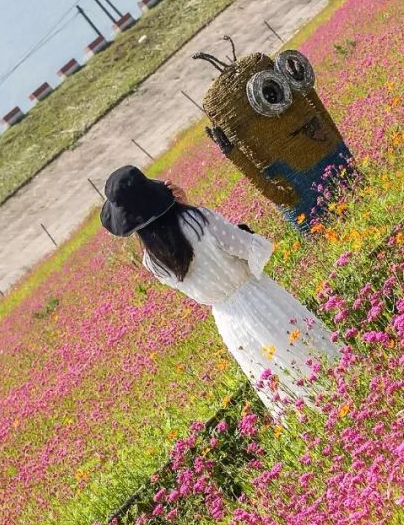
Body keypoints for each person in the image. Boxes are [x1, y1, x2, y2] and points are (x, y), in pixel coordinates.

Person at [99, 165, 340, 419]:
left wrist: (184, 212)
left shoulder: (154, 263)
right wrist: (187, 208)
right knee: (310, 354)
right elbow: (249, 247)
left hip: (230, 322)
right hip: (260, 297)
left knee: (281, 381)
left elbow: (186, 254)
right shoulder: (200, 219)